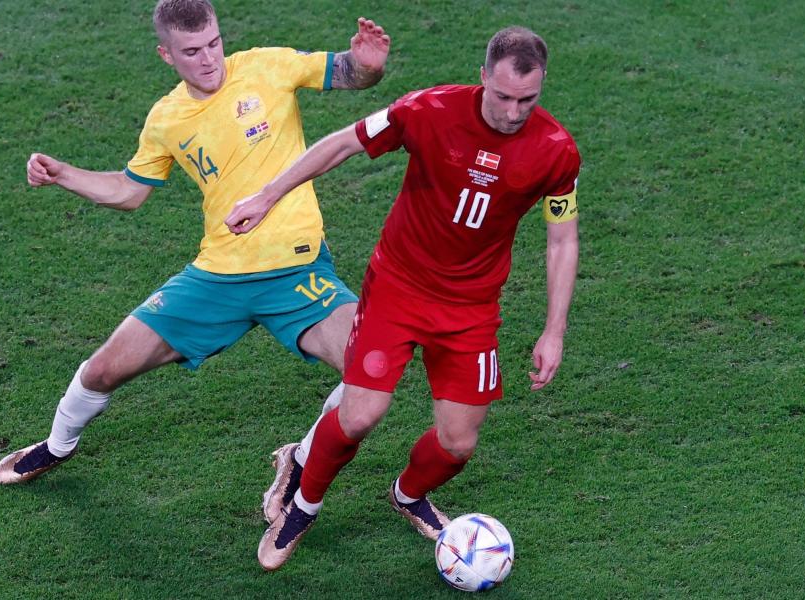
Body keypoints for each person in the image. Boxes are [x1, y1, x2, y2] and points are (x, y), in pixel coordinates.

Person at [0, 0, 391, 512]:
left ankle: (300, 458)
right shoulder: (166, 118)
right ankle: (56, 446)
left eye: (214, 44)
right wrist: (63, 174)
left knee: (367, 372)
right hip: (216, 277)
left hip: (298, 270)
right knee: (103, 370)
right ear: (166, 55)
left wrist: (369, 65)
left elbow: (349, 73)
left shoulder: (269, 65)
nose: (209, 60)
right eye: (192, 51)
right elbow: (130, 191)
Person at [225, 26, 580, 570]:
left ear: (542, 86)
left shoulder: (556, 152)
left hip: (470, 309)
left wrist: (554, 330)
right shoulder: (429, 109)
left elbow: (562, 239)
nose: (512, 112)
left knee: (459, 443)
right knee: (361, 413)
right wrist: (268, 194)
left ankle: (408, 494)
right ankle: (301, 504)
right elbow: (346, 141)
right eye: (503, 96)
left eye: (526, 100)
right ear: (483, 76)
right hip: (399, 288)